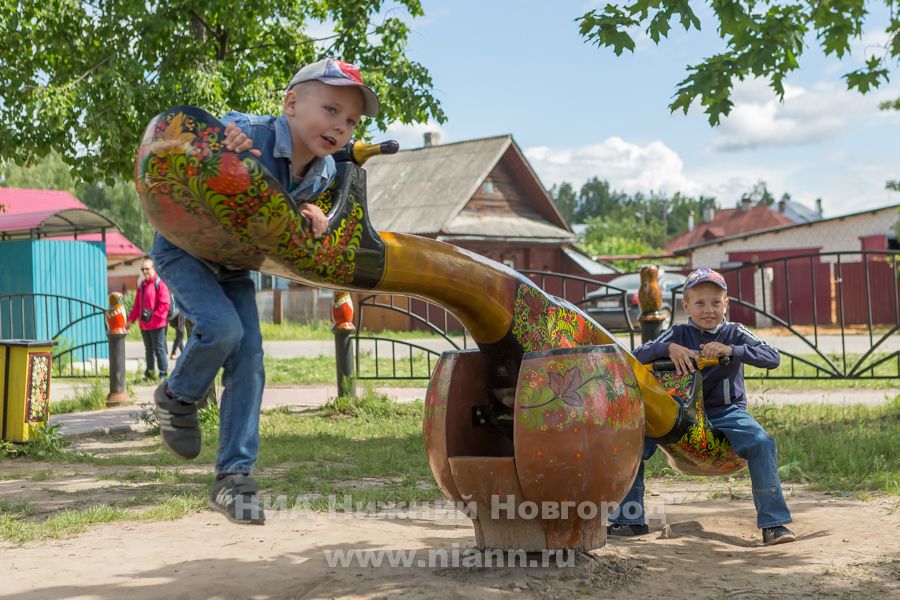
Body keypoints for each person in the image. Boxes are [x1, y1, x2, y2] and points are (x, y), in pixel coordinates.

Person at [150, 57, 378, 525]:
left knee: (250, 361)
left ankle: (233, 478)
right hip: (185, 248)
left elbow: (309, 197)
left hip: (234, 264)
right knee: (221, 329)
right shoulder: (246, 131)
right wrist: (220, 144)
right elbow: (202, 140)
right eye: (331, 110)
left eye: (351, 121)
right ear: (291, 103)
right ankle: (176, 397)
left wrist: (313, 211)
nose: (340, 127)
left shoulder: (324, 172)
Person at [608, 267, 795, 546]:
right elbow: (634, 357)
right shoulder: (677, 333)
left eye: (715, 303)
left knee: (761, 442)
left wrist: (732, 351)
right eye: (699, 303)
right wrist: (667, 348)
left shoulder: (735, 333)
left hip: (727, 412)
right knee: (631, 441)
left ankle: (774, 524)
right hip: (682, 413)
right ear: (685, 306)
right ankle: (629, 519)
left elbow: (772, 357)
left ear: (726, 305)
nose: (708, 310)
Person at [126, 258, 170, 381]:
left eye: (147, 268)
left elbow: (165, 304)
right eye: (143, 269)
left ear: (153, 269)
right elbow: (136, 306)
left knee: (159, 349)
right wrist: (130, 320)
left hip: (157, 324)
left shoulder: (160, 283)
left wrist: (153, 317)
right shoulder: (142, 286)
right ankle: (150, 374)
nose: (145, 271)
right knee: (148, 350)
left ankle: (163, 374)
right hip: (144, 324)